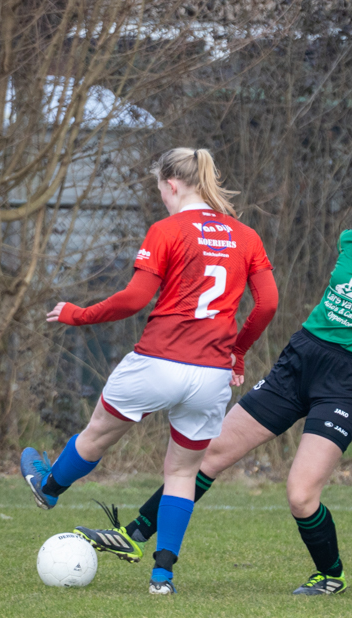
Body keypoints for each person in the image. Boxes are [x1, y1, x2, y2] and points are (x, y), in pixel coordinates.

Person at [74, 177, 352, 596]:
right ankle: (134, 534)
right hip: (297, 363)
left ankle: (330, 575)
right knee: (209, 453)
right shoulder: (349, 244)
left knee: (301, 495)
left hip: (345, 384)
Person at [20, 147, 278, 595]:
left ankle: (50, 486)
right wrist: (237, 352)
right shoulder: (245, 235)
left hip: (158, 362)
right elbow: (268, 303)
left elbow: (134, 298)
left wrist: (78, 314)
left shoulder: (167, 230)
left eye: (160, 187)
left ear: (171, 184)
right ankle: (162, 577)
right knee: (181, 474)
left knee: (97, 435)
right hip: (211, 374)